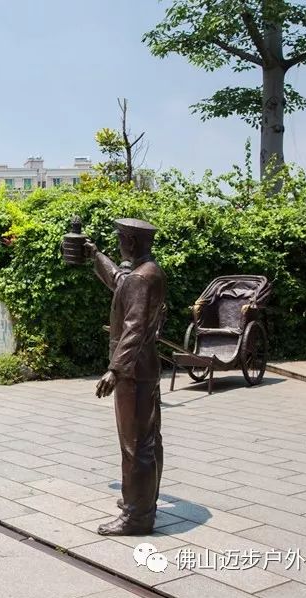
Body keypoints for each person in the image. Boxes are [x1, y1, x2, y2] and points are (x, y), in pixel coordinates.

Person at [84, 218, 167, 536]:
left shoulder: (141, 279)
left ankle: (137, 517)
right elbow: (120, 280)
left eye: (120, 238)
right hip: (146, 368)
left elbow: (133, 328)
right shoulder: (150, 272)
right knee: (149, 441)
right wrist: (96, 255)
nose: (118, 243)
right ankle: (145, 503)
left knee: (135, 447)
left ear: (130, 242)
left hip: (132, 373)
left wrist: (115, 370)